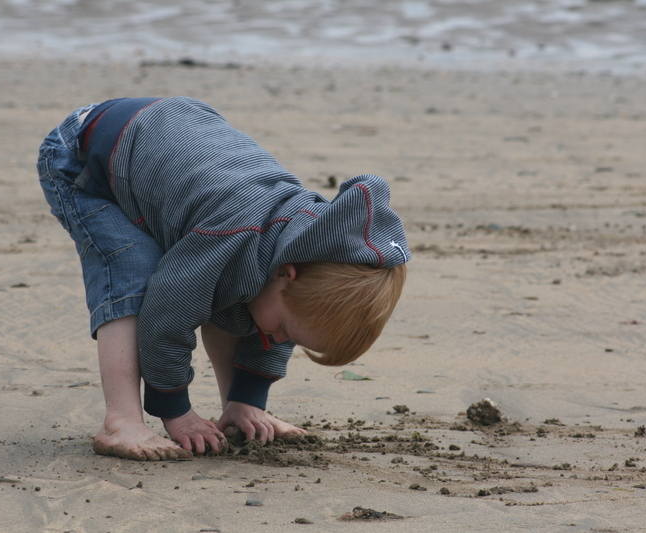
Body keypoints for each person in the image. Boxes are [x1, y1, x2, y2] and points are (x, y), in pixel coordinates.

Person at [36, 97, 410, 461]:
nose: (280, 340)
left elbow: (258, 314)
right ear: (287, 273)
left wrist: (246, 401)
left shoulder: (300, 255)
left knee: (235, 294)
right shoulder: (234, 235)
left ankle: (233, 404)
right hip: (86, 156)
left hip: (166, 140)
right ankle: (121, 421)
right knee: (133, 274)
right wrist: (176, 410)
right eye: (286, 331)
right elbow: (167, 318)